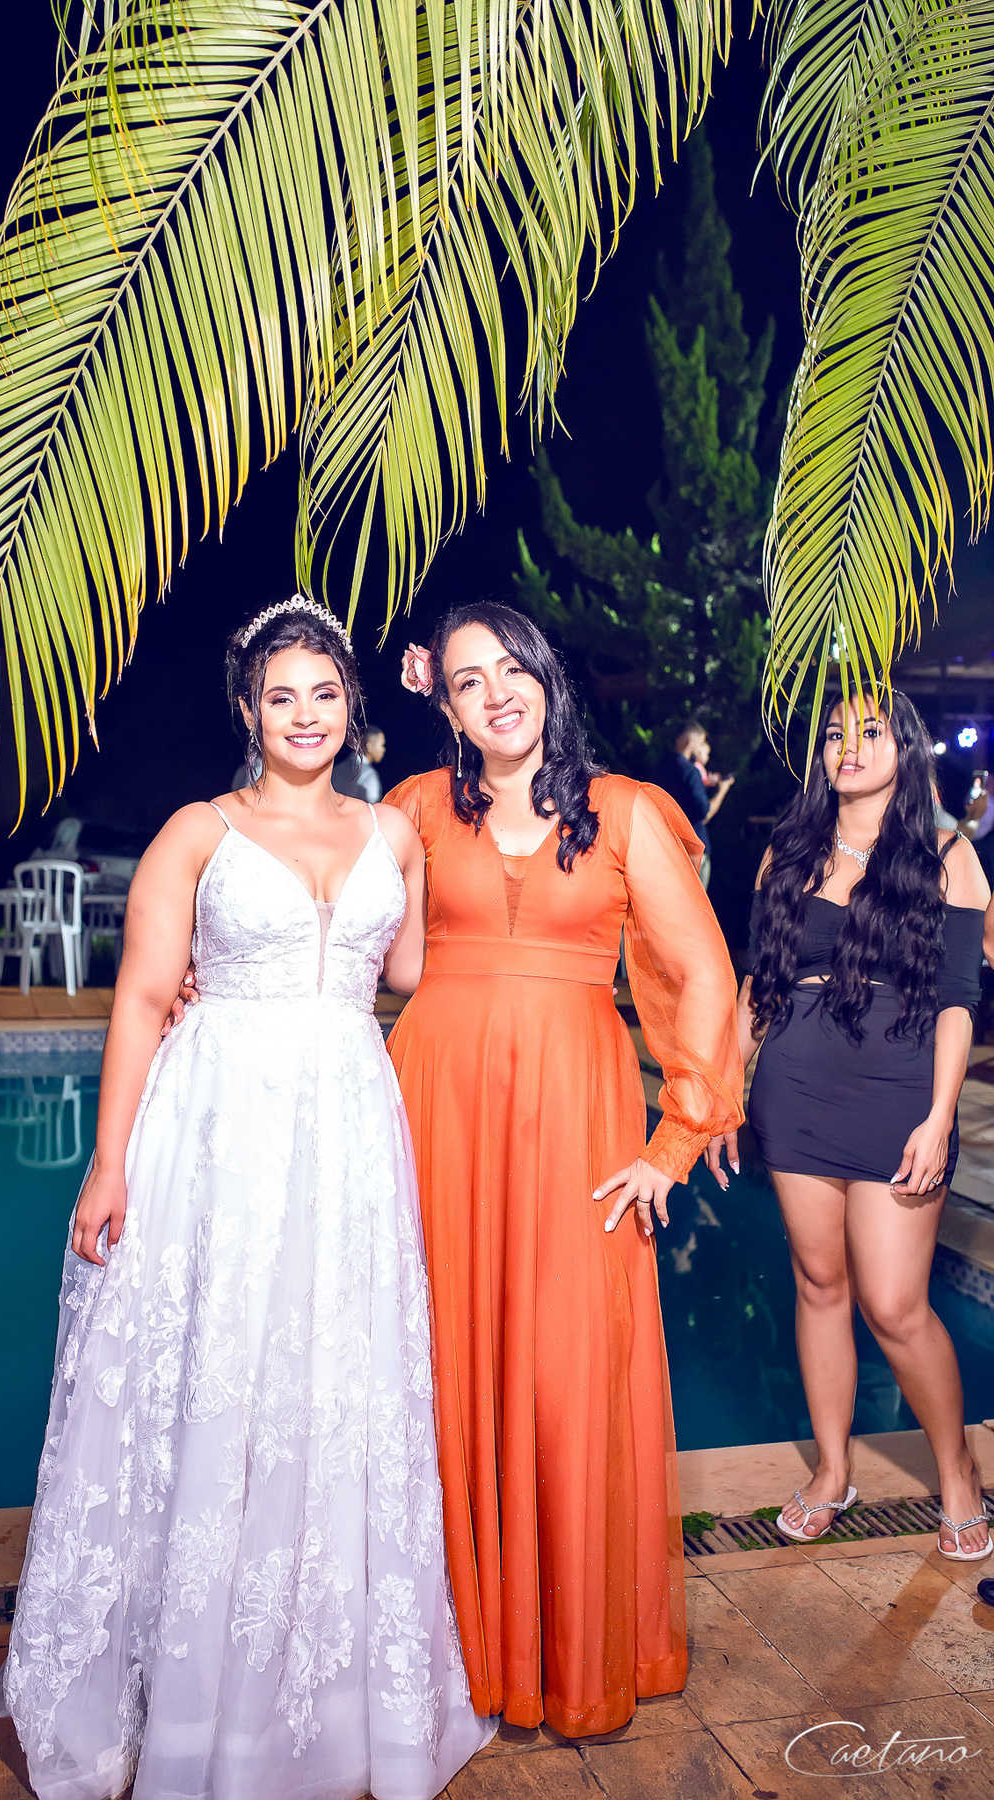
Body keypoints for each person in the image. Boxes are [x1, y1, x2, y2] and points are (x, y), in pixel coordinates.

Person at [0, 596, 492, 1800]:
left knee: (333, 1386)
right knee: (216, 1379)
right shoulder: (197, 833)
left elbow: (407, 969)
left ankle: (326, 1704)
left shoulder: (397, 834)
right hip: (218, 1128)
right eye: (281, 697)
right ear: (249, 713)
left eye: (325, 694)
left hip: (348, 1130)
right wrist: (108, 1160)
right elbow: (140, 998)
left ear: (352, 706)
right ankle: (186, 1703)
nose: (305, 715)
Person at [388, 605, 743, 1736]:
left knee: (566, 1367)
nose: (497, 693)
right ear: (445, 706)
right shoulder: (413, 809)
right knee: (442, 1359)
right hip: (434, 1114)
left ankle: (568, 1653)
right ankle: (458, 1654)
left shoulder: (627, 810)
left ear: (546, 677)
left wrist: (674, 1141)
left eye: (511, 669)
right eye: (467, 681)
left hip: (579, 1124)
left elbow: (705, 977)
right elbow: (326, 915)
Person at [706, 689, 991, 1561]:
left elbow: (957, 999)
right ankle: (833, 1471)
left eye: (870, 731)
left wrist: (940, 1116)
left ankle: (957, 1474)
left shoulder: (948, 855)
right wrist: (724, 1091)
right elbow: (761, 986)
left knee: (896, 1306)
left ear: (906, 748)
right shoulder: (788, 854)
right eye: (835, 733)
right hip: (795, 1089)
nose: (849, 746)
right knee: (820, 1284)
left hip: (899, 1092)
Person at [658, 721, 734, 886]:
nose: (701, 748)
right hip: (694, 848)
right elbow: (704, 813)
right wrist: (723, 790)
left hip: (666, 845)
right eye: (700, 743)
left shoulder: (661, 768)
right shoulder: (690, 772)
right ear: (689, 742)